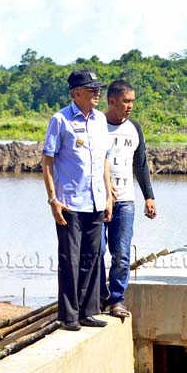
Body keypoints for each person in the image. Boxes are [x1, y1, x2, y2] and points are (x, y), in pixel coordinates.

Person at [42, 69, 113, 330]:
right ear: (76, 93)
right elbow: (47, 162)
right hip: (69, 202)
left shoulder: (101, 120)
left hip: (95, 201)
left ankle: (87, 311)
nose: (97, 93)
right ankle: (69, 316)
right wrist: (53, 200)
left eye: (98, 89)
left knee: (92, 259)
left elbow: (104, 159)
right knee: (70, 261)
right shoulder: (60, 120)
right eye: (91, 89)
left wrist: (108, 197)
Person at [100, 80, 156, 317]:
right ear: (112, 101)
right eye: (126, 101)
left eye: (132, 101)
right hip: (98, 200)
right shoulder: (97, 125)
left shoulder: (134, 128)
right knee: (96, 252)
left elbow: (140, 164)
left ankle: (116, 301)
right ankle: (97, 297)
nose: (130, 105)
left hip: (125, 201)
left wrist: (149, 197)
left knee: (121, 254)